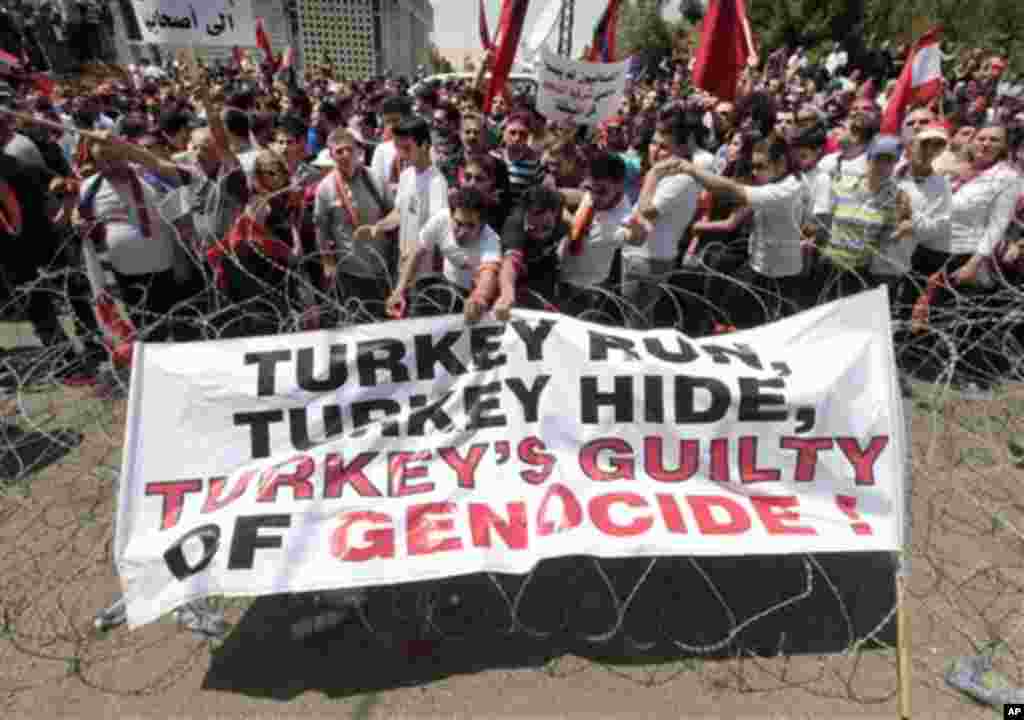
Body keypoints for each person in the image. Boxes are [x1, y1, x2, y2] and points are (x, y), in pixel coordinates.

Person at [668, 136, 812, 329]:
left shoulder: (786, 190)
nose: (755, 172)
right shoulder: (784, 180)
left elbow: (732, 190)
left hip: (778, 276)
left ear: (781, 163)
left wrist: (692, 170)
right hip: (758, 264)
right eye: (753, 165)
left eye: (761, 166)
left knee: (761, 327)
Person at [386, 186, 501, 323]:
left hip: (475, 300)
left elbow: (488, 276)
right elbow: (416, 252)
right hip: (447, 290)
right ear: (451, 216)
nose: (462, 232)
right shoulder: (441, 219)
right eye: (458, 223)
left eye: (470, 226)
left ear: (482, 225)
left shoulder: (491, 240)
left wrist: (478, 298)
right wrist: (399, 289)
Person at [315, 128, 393, 322]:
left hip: (381, 267)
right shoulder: (325, 188)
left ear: (358, 151)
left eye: (349, 149)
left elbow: (393, 212)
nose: (345, 155)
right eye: (339, 151)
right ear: (331, 155)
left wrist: (379, 227)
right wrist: (328, 262)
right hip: (350, 271)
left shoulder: (375, 179)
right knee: (358, 323)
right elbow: (321, 229)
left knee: (384, 322)